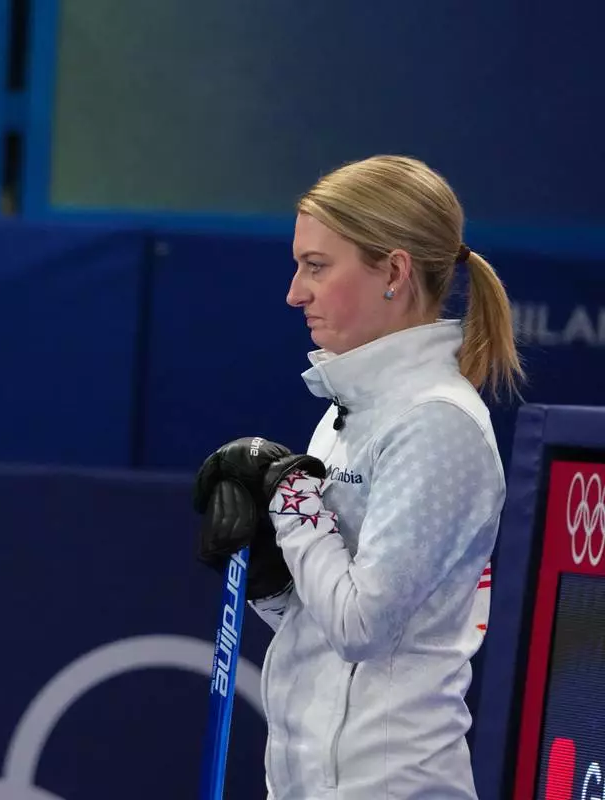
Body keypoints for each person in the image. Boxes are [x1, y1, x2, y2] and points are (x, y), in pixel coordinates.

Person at [193, 154, 520, 798]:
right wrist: (269, 576)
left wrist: (287, 495)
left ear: (394, 271)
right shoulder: (350, 411)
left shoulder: (436, 422)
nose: (294, 291)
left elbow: (361, 628)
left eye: (316, 266)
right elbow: (320, 623)